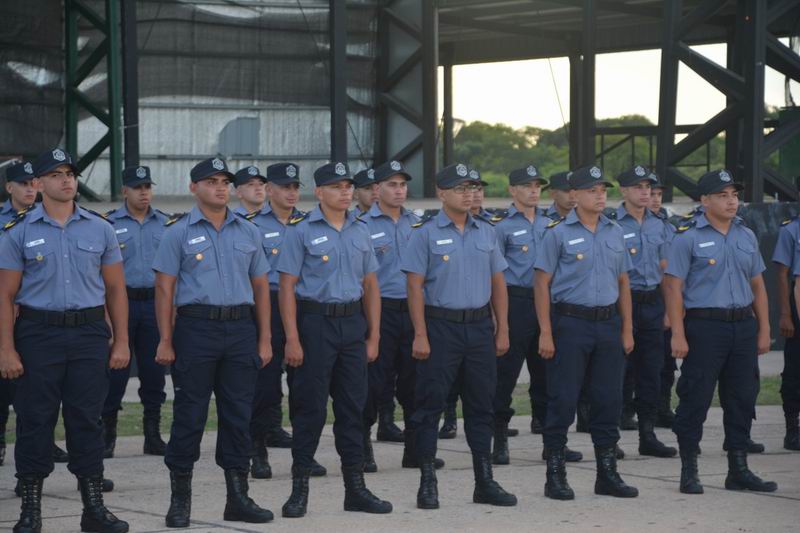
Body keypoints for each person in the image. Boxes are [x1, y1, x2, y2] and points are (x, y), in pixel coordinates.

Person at [0, 148, 130, 533]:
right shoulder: (19, 232)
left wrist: (121, 341)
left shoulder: (100, 229)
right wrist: (6, 349)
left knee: (86, 420)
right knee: (34, 420)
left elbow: (116, 290)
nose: (66, 180)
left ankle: (93, 509)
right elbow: (5, 296)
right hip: (38, 334)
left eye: (70, 174)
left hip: (89, 334)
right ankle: (31, 510)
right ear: (38, 184)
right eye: (56, 175)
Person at [153, 157, 274, 527]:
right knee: (189, 415)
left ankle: (238, 497)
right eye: (211, 182)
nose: (220, 188)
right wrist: (165, 340)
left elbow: (260, 287)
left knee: (238, 415)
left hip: (240, 329)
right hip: (196, 329)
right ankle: (180, 501)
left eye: (224, 182)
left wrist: (265, 338)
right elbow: (165, 289)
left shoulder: (248, 231)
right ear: (194, 188)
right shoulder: (177, 233)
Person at [277, 161, 392, 518]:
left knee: (353, 409)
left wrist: (373, 335)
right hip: (315, 325)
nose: (345, 192)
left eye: (348, 186)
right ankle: (299, 490)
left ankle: (355, 489)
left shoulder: (361, 230)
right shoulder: (300, 231)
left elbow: (370, 285)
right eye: (336, 187)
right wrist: (292, 338)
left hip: (352, 325)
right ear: (319, 192)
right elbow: (286, 287)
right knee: (310, 409)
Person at [402, 162, 517, 510]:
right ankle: (427, 482)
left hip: (479, 328)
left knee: (481, 405)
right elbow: (414, 287)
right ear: (441, 193)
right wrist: (420, 333)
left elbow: (498, 282)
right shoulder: (424, 233)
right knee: (430, 406)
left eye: (473, 188)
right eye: (460, 189)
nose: (469, 195)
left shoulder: (487, 232)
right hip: (440, 327)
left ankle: (485, 482)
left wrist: (503, 328)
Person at [664, 169, 776, 495]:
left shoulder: (746, 235)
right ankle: (689, 470)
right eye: (723, 195)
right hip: (705, 327)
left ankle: (738, 469)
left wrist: (764, 328)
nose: (731, 201)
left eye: (734, 195)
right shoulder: (687, 237)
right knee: (695, 397)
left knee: (742, 398)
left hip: (742, 325)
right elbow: (673, 287)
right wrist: (678, 333)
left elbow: (758, 285)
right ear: (704, 200)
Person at [534, 165, 638, 501]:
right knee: (563, 399)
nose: (600, 196)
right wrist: (545, 331)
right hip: (570, 323)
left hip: (608, 324)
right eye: (592, 190)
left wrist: (627, 328)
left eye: (603, 190)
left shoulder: (615, 231)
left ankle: (607, 475)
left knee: (609, 400)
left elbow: (623, 282)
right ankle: (555, 475)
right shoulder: (557, 233)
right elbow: (541, 283)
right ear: (574, 195)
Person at [489, 164, 582, 466]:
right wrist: (499, 319)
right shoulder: (500, 226)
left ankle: (551, 442)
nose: (533, 191)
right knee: (505, 375)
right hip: (515, 303)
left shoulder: (553, 224)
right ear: (512, 190)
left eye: (537, 186)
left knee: (548, 376)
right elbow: (495, 275)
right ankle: (499, 439)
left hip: (548, 303)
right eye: (526, 186)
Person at [101, 166, 169, 458]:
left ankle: (152, 435)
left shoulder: (166, 224)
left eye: (147, 187)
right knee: (116, 371)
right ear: (124, 191)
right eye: (137, 187)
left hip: (154, 304)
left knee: (154, 372)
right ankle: (107, 435)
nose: (144, 193)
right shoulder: (108, 224)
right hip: (122, 303)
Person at [610, 166, 676, 458]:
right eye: (638, 187)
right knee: (615, 372)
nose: (645, 192)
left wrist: (669, 311)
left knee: (652, 370)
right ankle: (610, 437)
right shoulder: (610, 225)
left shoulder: (660, 225)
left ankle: (647, 435)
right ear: (624, 191)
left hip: (653, 304)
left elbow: (667, 272)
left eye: (648, 187)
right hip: (621, 303)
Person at [233, 165, 298, 453]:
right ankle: (259, 442)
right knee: (266, 375)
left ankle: (288, 435)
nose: (291, 192)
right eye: (284, 187)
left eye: (295, 187)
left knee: (302, 378)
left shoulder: (307, 224)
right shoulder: (252, 225)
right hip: (266, 302)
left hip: (301, 303)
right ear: (271, 190)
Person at [0, 160, 38, 468]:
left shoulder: (48, 218)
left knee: (39, 385)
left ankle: (41, 444)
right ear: (9, 187)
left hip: (37, 312)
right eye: (23, 184)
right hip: (4, 307)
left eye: (33, 183)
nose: (29, 189)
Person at [648, 177, 678, 429]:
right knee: (631, 362)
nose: (655, 199)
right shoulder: (618, 225)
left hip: (665, 298)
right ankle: (627, 409)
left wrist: (671, 310)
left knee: (666, 360)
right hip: (638, 296)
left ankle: (662, 407)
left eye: (658, 194)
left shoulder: (669, 227)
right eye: (651, 193)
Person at [774, 209, 800, 451]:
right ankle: (792, 427)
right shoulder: (790, 229)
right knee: (795, 369)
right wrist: (785, 314)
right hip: (797, 301)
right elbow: (782, 275)